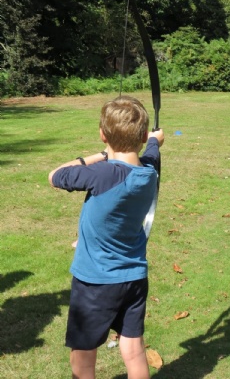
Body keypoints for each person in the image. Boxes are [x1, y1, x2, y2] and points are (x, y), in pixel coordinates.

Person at [48, 95, 164, 379]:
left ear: (103, 134)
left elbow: (56, 175)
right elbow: (152, 150)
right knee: (134, 349)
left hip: (96, 281)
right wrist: (154, 141)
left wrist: (101, 155)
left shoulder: (102, 174)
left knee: (83, 355)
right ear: (142, 136)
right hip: (134, 277)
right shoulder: (150, 170)